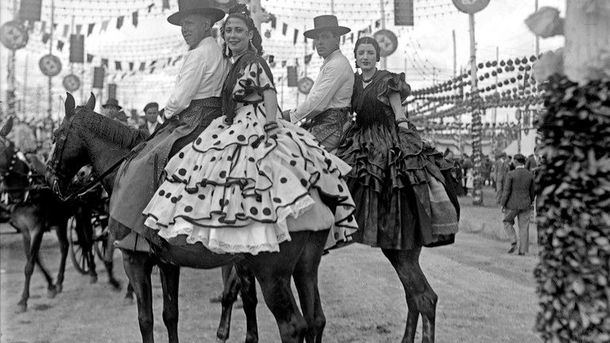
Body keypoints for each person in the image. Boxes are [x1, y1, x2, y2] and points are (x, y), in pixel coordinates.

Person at [142, 5, 357, 254]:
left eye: (239, 31)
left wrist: (270, 122)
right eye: (229, 31)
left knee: (247, 172)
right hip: (236, 119)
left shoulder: (253, 61)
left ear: (250, 35)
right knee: (220, 171)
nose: (233, 36)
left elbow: (269, 92)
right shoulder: (234, 62)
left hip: (254, 120)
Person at [109, 0, 230, 251]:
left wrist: (165, 115)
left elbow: (180, 98)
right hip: (210, 117)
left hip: (195, 119)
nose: (184, 29)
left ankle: (148, 230)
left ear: (206, 24)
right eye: (183, 24)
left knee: (146, 159)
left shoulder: (199, 54)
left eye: (189, 23)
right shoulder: (214, 48)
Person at [335, 36, 459, 252]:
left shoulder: (388, 80)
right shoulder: (352, 83)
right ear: (355, 56)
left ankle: (395, 227)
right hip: (360, 135)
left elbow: (399, 114)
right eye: (361, 52)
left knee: (394, 174)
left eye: (370, 53)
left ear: (377, 57)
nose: (365, 57)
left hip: (387, 134)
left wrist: (409, 137)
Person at [284, 15, 353, 152]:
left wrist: (289, 115)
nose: (320, 42)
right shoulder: (330, 63)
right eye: (317, 38)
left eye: (325, 37)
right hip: (322, 124)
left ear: (337, 39)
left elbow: (317, 103)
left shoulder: (337, 64)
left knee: (293, 153)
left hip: (331, 127)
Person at [500, 154, 535, 255]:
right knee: (524, 227)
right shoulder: (530, 174)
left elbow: (506, 191)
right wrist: (531, 200)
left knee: (507, 221)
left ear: (516, 161)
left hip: (512, 204)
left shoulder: (511, 174)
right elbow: (532, 191)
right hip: (526, 203)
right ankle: (522, 251)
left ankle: (513, 240)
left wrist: (503, 204)